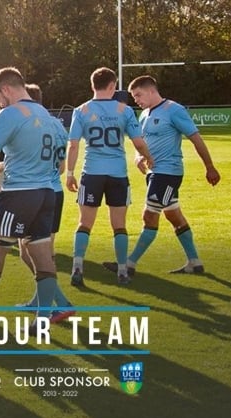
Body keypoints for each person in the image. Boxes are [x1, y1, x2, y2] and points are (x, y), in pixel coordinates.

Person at [0, 67, 73, 333]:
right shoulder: (50, 118)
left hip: (19, 195)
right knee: (42, 255)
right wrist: (8, 165)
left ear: (6, 89)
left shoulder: (10, 114)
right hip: (46, 194)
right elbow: (55, 161)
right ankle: (42, 319)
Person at [101, 75, 221, 276]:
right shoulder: (144, 114)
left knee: (149, 215)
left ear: (150, 90)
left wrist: (209, 166)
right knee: (174, 216)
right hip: (154, 173)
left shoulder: (174, 110)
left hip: (167, 173)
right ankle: (194, 262)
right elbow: (142, 142)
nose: (136, 100)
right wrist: (139, 156)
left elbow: (196, 138)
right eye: (133, 96)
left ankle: (128, 265)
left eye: (138, 95)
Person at [65, 67, 152, 287]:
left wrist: (69, 173)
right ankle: (122, 271)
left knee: (84, 223)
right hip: (117, 174)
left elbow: (73, 144)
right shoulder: (125, 110)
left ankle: (77, 268)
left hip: (91, 173)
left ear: (92, 85)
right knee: (119, 226)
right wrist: (149, 158)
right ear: (112, 86)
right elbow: (138, 142)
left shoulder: (81, 110)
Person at [14, 84, 75, 312]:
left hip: (36, 191)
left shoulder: (31, 124)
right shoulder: (56, 124)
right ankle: (43, 300)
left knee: (34, 253)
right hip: (54, 191)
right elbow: (60, 166)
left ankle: (60, 302)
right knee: (38, 251)